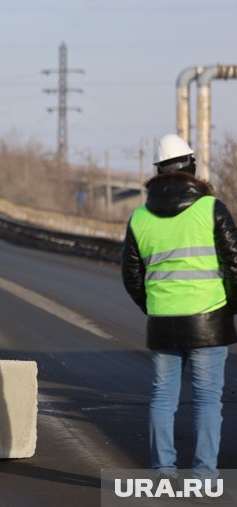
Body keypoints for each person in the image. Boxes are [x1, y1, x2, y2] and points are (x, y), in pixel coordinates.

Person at [122, 134, 237, 480]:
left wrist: (155, 306)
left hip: (163, 322)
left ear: (158, 172)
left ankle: (164, 472)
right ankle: (204, 477)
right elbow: (234, 262)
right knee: (206, 401)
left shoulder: (140, 217)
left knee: (162, 398)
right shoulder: (211, 208)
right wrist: (227, 308)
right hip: (208, 320)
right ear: (192, 167)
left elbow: (131, 275)